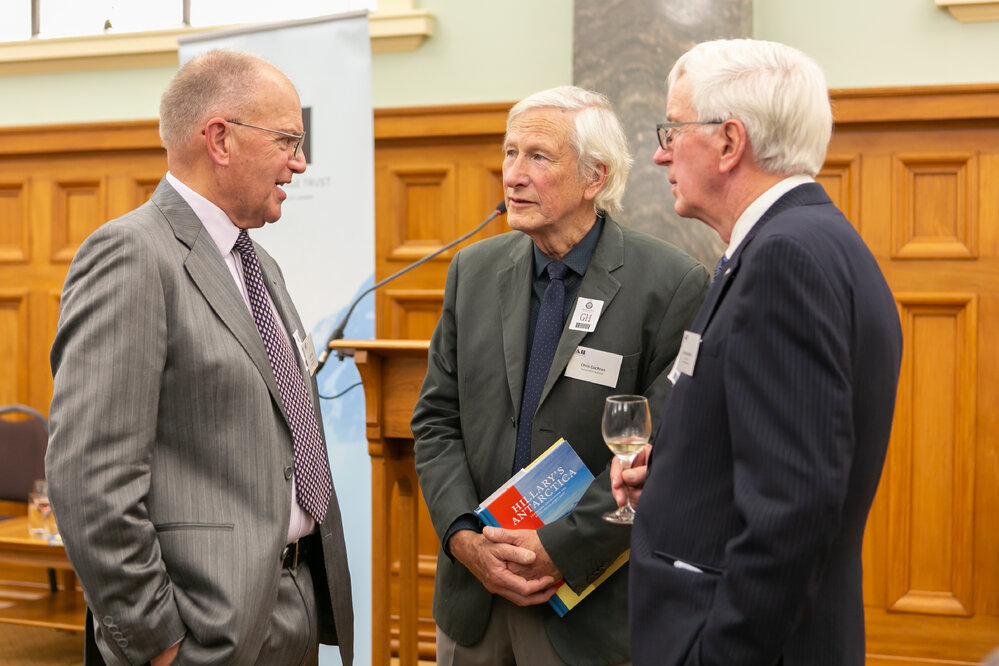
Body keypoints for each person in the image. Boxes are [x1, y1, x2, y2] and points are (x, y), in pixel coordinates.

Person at [46, 50, 353, 666]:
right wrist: (157, 641)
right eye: (288, 139)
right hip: (200, 629)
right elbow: (90, 477)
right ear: (220, 139)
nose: (299, 161)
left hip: (292, 604)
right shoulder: (131, 256)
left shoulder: (259, 264)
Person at [611, 39, 903, 666]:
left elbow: (793, 509)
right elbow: (775, 445)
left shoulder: (784, 259)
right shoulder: (796, 242)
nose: (661, 152)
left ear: (728, 141)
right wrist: (673, 470)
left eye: (672, 128)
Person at [411, 85, 710, 666]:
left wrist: (560, 547)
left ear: (594, 177)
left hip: (588, 610)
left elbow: (658, 450)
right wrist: (462, 535)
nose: (513, 175)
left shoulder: (670, 284)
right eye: (509, 153)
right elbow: (436, 420)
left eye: (538, 157)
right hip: (474, 598)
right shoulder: (472, 271)